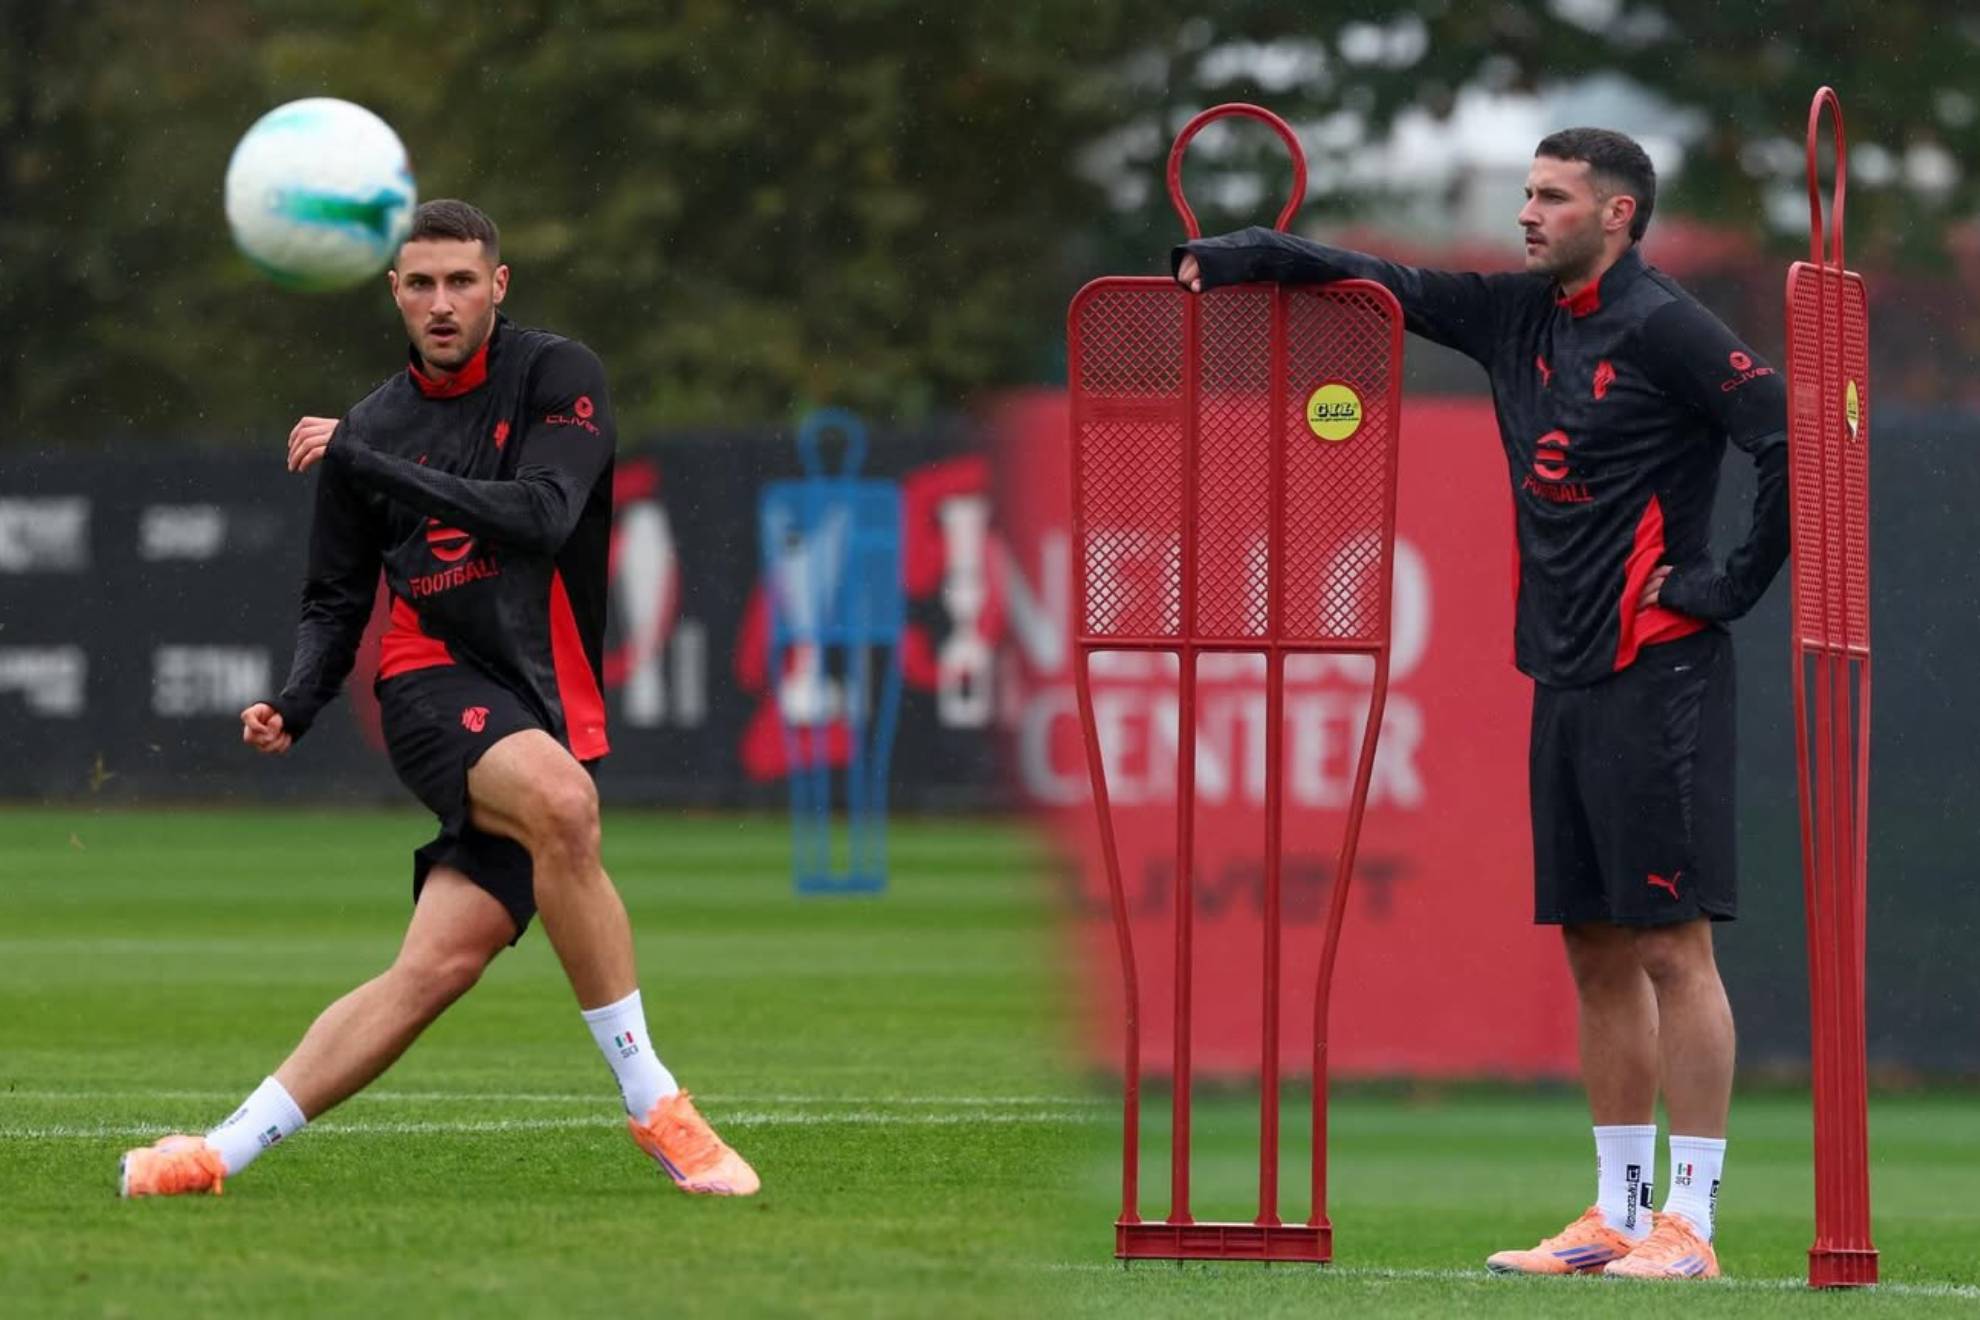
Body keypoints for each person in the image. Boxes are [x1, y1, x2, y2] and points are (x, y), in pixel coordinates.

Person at [1176, 128, 1786, 1281]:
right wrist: (1253, 250)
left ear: (1618, 215)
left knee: (1671, 946)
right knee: (1596, 947)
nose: (1528, 211)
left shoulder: (1664, 325)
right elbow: (1386, 285)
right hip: (1561, 674)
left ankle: (1690, 1228)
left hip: (1661, 669)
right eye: (1526, 192)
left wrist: (1726, 585)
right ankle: (1614, 1214)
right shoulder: (1518, 319)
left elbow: (1786, 430)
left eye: (1553, 197)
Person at [119, 199, 758, 1199]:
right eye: (421, 283)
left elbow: (544, 516)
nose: (442, 301)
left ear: (498, 285)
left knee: (433, 972)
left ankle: (210, 1155)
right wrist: (298, 698)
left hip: (540, 702)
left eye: (462, 280)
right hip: (428, 685)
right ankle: (658, 1107)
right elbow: (335, 596)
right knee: (561, 806)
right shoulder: (369, 427)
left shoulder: (555, 378)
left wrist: (363, 459)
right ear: (395, 295)